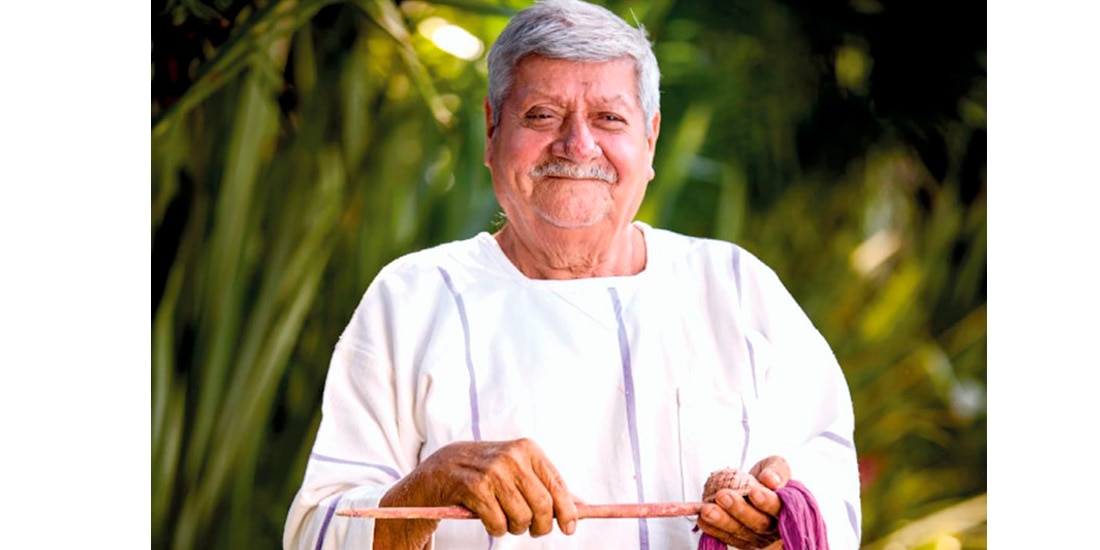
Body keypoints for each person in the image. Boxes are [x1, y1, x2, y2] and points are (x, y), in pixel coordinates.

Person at [283, 0, 861, 548]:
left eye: (609, 117)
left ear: (651, 138)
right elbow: (318, 533)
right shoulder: (411, 299)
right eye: (542, 115)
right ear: (491, 131)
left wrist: (777, 511)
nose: (577, 145)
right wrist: (432, 484)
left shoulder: (735, 286)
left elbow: (827, 480)